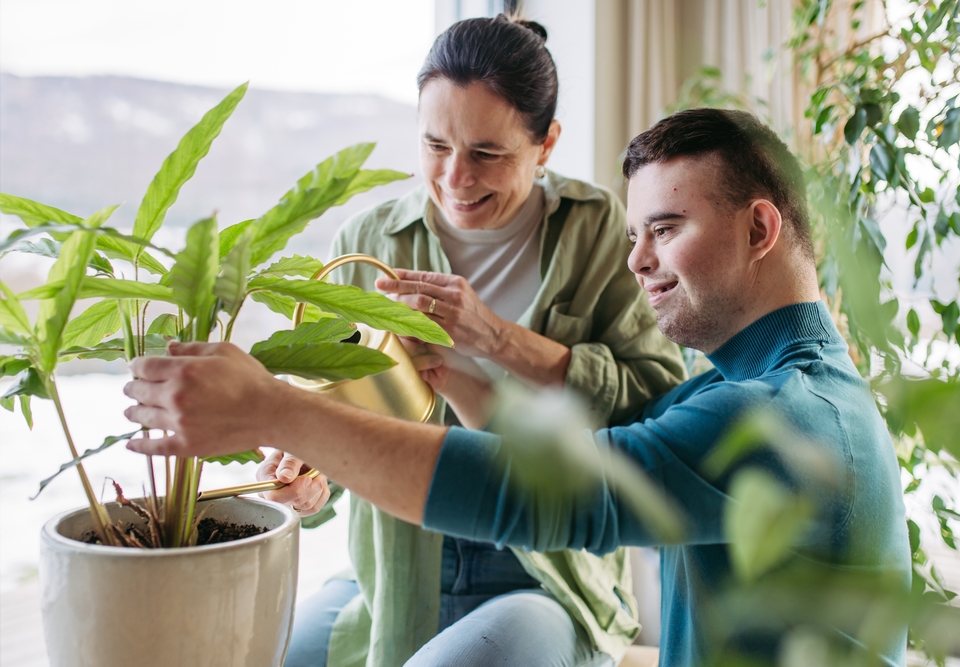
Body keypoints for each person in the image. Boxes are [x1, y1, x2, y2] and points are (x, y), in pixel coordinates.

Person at [124, 109, 911, 666]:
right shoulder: (762, 385)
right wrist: (453, 375)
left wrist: (276, 406)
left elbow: (554, 494)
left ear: (760, 229)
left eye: (665, 229)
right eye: (636, 234)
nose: (637, 260)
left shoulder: (780, 418)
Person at [252, 14, 687, 667]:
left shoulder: (600, 232)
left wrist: (497, 337)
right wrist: (309, 478)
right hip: (396, 564)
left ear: (546, 145)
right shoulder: (368, 244)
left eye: (487, 153)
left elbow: (659, 404)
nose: (456, 178)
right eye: (435, 146)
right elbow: (337, 420)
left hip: (542, 569)